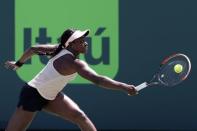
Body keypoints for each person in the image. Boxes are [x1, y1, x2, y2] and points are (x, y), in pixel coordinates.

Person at [4, 28, 138, 131]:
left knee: (80, 117)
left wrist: (19, 63)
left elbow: (33, 49)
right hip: (32, 95)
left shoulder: (59, 48)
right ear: (71, 44)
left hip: (51, 95)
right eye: (81, 41)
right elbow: (98, 80)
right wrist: (124, 87)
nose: (85, 43)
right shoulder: (74, 63)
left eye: (84, 40)